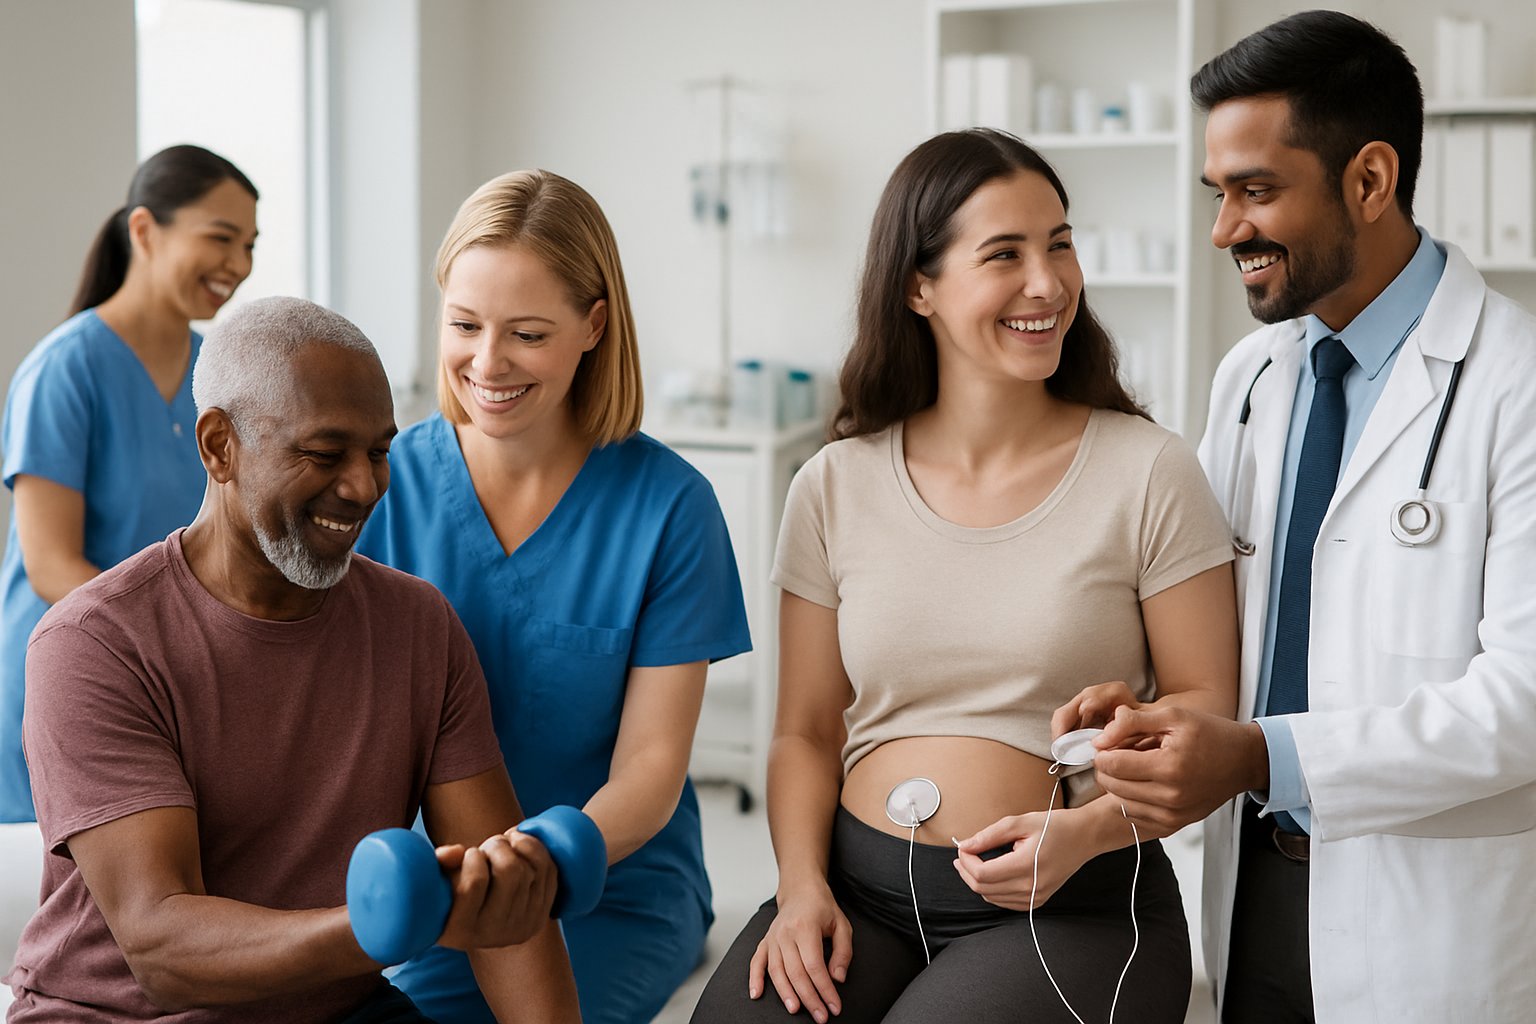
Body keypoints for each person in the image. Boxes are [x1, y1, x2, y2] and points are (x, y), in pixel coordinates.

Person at [689, 128, 1239, 1024]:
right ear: (919, 286)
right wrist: (798, 891)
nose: (1048, 283)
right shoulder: (834, 483)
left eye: (1060, 244)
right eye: (1005, 255)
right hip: (855, 893)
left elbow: (1209, 711)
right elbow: (802, 733)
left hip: (1071, 903)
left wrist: (1087, 833)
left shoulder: (1149, 471)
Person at [1076, 11, 1536, 1023]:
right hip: (1256, 893)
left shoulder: (1517, 384)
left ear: (1369, 181)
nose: (1223, 229)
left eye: (1256, 191)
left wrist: (1261, 756)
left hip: (1430, 914)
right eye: (1218, 194)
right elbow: (1237, 623)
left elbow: (1524, 702)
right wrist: (1150, 701)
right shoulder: (1251, 379)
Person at [7, 297, 579, 1022]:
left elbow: (503, 906)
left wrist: (492, 908)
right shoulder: (94, 645)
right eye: (323, 453)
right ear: (219, 446)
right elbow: (161, 948)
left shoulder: (419, 627)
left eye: (378, 451)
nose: (364, 487)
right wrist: (386, 926)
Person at [355, 169, 750, 1024]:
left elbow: (650, 771)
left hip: (607, 890)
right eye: (464, 325)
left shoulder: (669, 507)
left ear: (593, 325)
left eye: (527, 333)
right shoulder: (383, 487)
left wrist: (540, 862)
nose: (487, 363)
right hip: (437, 894)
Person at [0, 144, 260, 823]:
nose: (238, 265)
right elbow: (50, 562)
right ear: (144, 231)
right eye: (221, 238)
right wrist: (181, 644)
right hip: (71, 677)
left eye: (250, 245)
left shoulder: (220, 376)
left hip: (171, 682)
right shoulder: (66, 369)